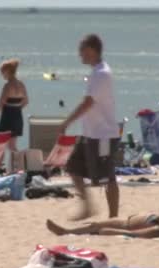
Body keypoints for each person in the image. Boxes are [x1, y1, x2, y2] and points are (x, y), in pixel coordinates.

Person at [58, 34, 120, 219]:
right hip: (90, 134)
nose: (80, 55)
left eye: (82, 51)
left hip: (103, 135)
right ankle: (88, 207)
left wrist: (67, 122)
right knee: (73, 168)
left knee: (107, 177)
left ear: (92, 50)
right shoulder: (96, 72)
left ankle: (113, 217)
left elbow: (88, 103)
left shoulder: (102, 73)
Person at [0, 59, 29, 155]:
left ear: (7, 71)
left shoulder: (7, 86)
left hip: (7, 116)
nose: (2, 75)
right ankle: (21, 162)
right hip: (17, 116)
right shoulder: (21, 84)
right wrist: (16, 108)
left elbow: (0, 104)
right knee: (12, 146)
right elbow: (26, 102)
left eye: (2, 72)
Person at [45, 213, 159, 239]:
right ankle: (66, 231)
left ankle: (65, 232)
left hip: (126, 226)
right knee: (94, 224)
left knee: (96, 227)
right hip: (127, 219)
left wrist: (112, 232)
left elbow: (135, 235)